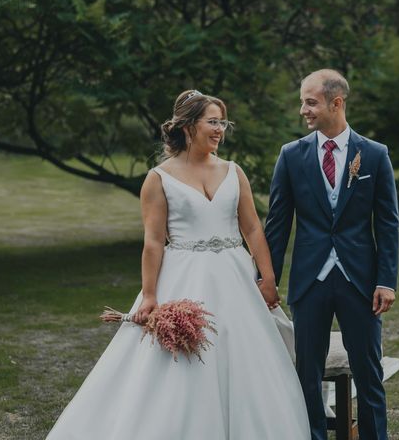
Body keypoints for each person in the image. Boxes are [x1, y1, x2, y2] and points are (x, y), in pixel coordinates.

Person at [47, 90, 310, 439]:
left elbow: (252, 228)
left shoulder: (234, 171)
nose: (220, 129)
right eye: (212, 122)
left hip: (236, 277)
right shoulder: (158, 178)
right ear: (187, 126)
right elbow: (154, 241)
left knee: (248, 357)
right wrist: (150, 295)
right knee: (185, 362)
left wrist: (267, 277)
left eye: (222, 122)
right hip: (184, 275)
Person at [264, 70, 399, 440]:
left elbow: (387, 224)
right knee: (306, 373)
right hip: (310, 281)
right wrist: (267, 280)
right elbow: (277, 226)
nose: (303, 110)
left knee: (369, 374)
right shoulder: (291, 156)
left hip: (361, 282)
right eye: (303, 102)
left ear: (336, 103)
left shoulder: (374, 155)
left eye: (311, 102)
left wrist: (386, 281)